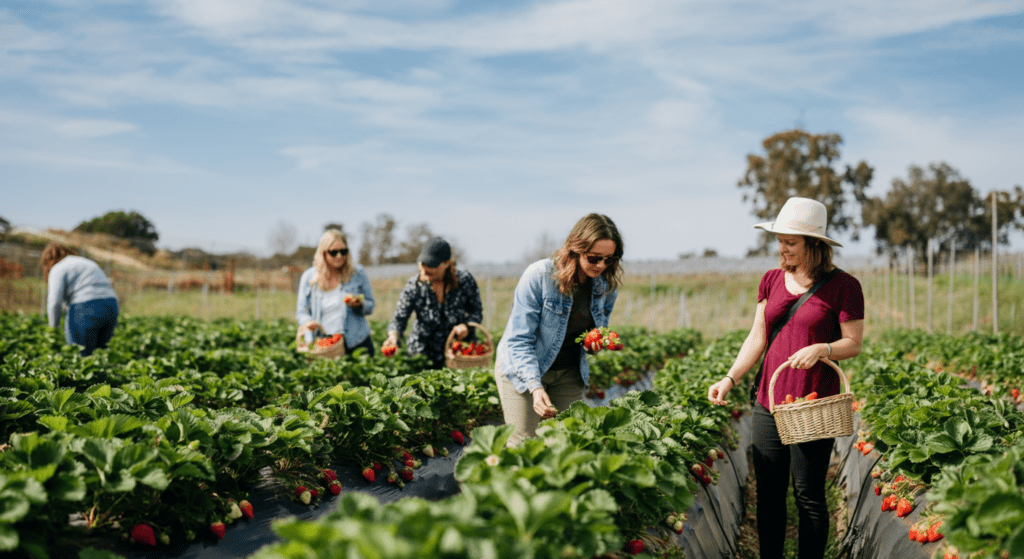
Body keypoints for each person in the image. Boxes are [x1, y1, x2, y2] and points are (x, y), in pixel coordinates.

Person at [707, 197, 864, 559]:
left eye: (790, 242)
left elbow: (852, 343)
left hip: (814, 403)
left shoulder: (844, 286)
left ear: (814, 244)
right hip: (769, 400)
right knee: (769, 494)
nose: (781, 248)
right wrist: (730, 378)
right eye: (779, 241)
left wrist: (822, 349)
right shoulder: (771, 280)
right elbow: (757, 336)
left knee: (808, 495)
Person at [494, 214, 623, 447]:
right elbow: (520, 340)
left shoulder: (606, 287)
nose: (601, 266)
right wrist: (534, 386)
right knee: (525, 447)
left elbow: (598, 329)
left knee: (566, 444)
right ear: (576, 248)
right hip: (523, 370)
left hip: (569, 373)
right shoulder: (540, 276)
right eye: (594, 258)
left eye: (609, 260)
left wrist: (598, 342)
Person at [383, 238, 483, 368]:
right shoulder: (414, 286)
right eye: (423, 263)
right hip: (422, 354)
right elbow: (399, 319)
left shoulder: (464, 281)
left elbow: (476, 311)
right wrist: (393, 337)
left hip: (457, 354)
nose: (425, 270)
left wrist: (466, 326)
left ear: (447, 263)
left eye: (432, 265)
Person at [296, 229, 376, 356]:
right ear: (323, 253)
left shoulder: (357, 273)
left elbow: (370, 305)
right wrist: (309, 322)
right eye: (333, 252)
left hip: (357, 341)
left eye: (343, 251)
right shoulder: (309, 278)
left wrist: (359, 304)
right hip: (325, 343)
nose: (339, 256)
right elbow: (301, 312)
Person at [41, 242, 120, 356]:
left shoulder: (58, 268)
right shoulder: (85, 262)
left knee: (79, 356)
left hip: (85, 308)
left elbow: (54, 302)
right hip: (111, 305)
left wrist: (53, 329)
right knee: (100, 356)